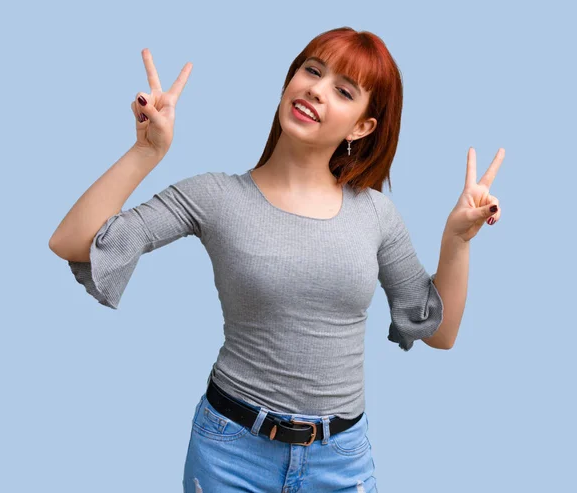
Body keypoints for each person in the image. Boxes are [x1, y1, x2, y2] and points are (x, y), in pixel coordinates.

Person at [49, 26, 504, 493]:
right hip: (230, 451)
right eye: (312, 70)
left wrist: (457, 240)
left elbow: (440, 334)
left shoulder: (376, 214)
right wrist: (147, 151)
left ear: (362, 126)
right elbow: (72, 242)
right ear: (290, 81)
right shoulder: (215, 196)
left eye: (343, 90)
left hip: (341, 462)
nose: (316, 90)